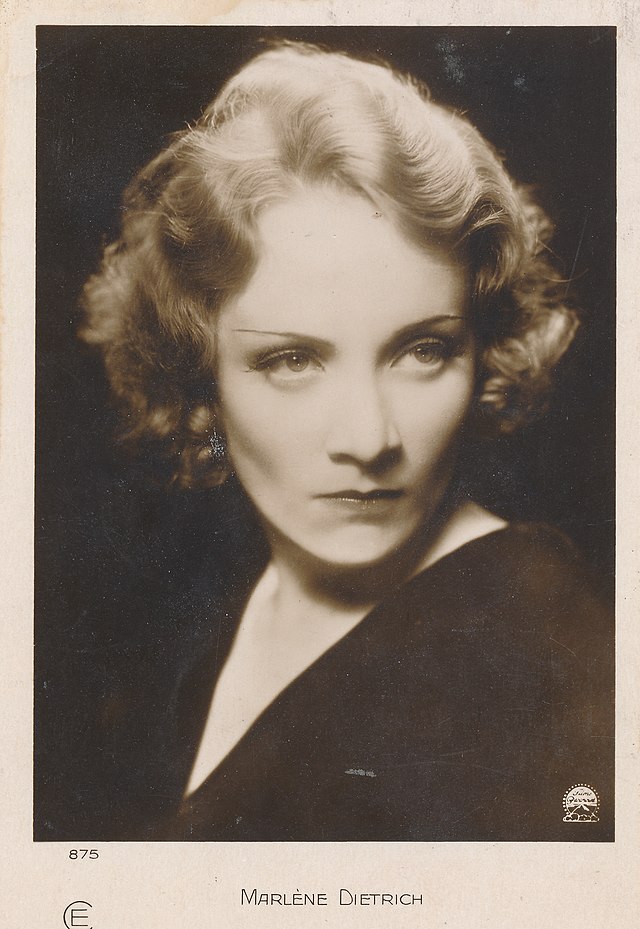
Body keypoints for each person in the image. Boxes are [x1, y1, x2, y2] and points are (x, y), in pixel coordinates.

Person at [76, 40, 613, 841]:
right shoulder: (205, 609)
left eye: (423, 350)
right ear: (201, 370)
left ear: (484, 349)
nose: (370, 438)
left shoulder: (540, 652)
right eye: (292, 360)